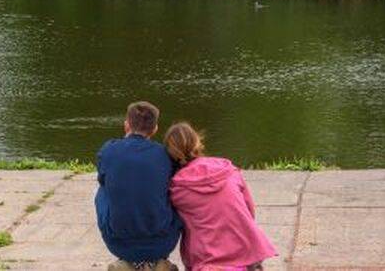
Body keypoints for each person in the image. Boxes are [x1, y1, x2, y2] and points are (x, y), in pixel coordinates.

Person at [164, 122, 277, 271]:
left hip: (207, 259)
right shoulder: (228, 170)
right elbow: (249, 211)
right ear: (197, 141)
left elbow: (173, 225)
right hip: (244, 251)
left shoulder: (177, 189)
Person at [94, 101, 183, 271]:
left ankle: (128, 263)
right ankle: (158, 263)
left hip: (118, 244)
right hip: (163, 243)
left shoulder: (109, 150)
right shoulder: (164, 154)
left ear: (126, 125)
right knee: (172, 191)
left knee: (102, 190)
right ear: (155, 128)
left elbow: (103, 179)